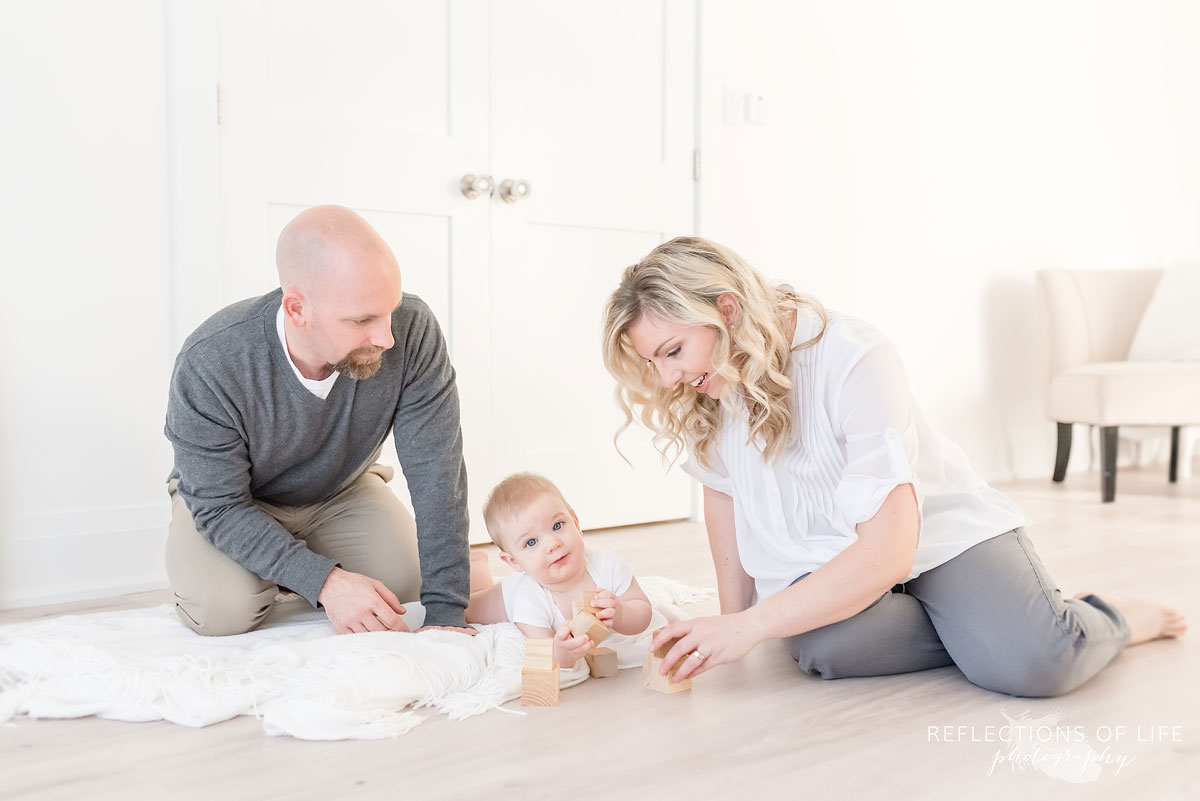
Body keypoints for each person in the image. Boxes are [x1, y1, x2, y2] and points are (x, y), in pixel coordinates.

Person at [601, 236, 1187, 697]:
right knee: (819, 645)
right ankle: (1006, 621)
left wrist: (751, 627)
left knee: (1037, 664)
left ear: (727, 311)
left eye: (673, 352)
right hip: (831, 556)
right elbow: (722, 496)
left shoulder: (853, 356)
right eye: (655, 362)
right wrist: (734, 624)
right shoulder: (709, 388)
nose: (667, 378)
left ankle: (1095, 619)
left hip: (931, 538)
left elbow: (889, 550)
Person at [164, 205, 473, 637]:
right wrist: (326, 582)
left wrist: (446, 614)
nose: (386, 337)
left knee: (407, 585)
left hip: (338, 490)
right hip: (235, 501)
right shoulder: (212, 360)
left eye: (390, 310)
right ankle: (279, 571)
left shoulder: (412, 330)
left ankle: (289, 565)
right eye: (362, 320)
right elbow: (219, 505)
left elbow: (438, 472)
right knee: (224, 611)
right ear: (297, 310)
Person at [465, 473, 653, 668]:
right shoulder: (528, 597)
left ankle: (478, 565)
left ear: (576, 523)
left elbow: (643, 611)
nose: (553, 544)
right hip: (506, 595)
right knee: (467, 606)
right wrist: (560, 653)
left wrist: (622, 614)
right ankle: (475, 565)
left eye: (557, 526)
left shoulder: (608, 565)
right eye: (531, 542)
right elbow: (542, 651)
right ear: (514, 561)